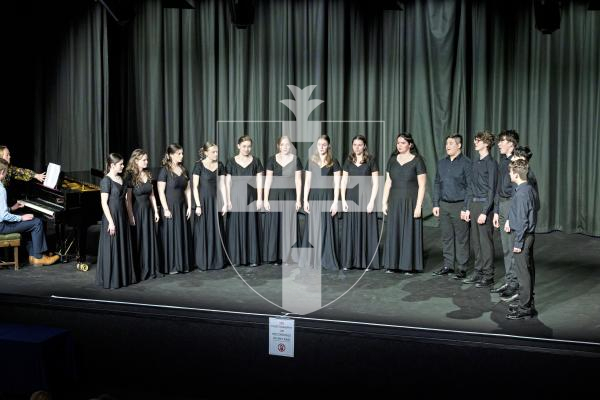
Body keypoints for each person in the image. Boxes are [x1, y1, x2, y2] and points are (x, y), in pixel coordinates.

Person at [382, 133, 427, 274]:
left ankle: (408, 265)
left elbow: (422, 185)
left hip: (410, 202)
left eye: (402, 143)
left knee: (409, 232)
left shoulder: (418, 161)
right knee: (394, 231)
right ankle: (392, 264)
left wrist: (418, 206)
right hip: (395, 201)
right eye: (398, 143)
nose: (399, 145)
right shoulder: (392, 160)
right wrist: (384, 202)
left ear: (410, 144)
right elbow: (388, 182)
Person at [0, 159, 59, 266]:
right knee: (37, 222)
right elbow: (4, 216)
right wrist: (21, 218)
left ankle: (32, 255)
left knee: (27, 221)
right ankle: (38, 257)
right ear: (2, 172)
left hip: (1, 223)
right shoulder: (1, 189)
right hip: (2, 226)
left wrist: (12, 209)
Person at [432, 134, 472, 280]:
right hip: (444, 205)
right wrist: (436, 203)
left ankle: (461, 267)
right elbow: (437, 183)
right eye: (446, 143)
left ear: (459, 145)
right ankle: (448, 265)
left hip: (459, 205)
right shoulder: (442, 163)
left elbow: (470, 187)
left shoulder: (467, 163)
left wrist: (466, 208)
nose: (447, 146)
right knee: (446, 237)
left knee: (462, 238)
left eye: (451, 143)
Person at [299, 134, 341, 270]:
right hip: (314, 198)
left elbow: (337, 184)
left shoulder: (334, 162)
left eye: (324, 144)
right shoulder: (311, 161)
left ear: (328, 146)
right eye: (319, 145)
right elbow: (308, 182)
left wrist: (335, 202)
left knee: (326, 227)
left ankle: (326, 259)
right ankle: (311, 259)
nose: (321, 147)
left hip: (328, 198)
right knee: (313, 227)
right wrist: (305, 200)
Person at [340, 135, 380, 271]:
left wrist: (372, 201)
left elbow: (376, 183)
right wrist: (343, 200)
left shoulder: (371, 160)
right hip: (352, 197)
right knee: (351, 229)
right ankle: (349, 261)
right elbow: (344, 181)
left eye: (360, 145)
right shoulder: (348, 160)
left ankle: (367, 262)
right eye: (355, 145)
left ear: (364, 146)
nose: (357, 147)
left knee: (366, 229)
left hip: (366, 197)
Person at [96, 153, 136, 289]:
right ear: (112, 165)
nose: (123, 166)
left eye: (123, 164)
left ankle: (123, 278)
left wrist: (130, 216)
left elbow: (126, 201)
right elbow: (104, 203)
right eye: (121, 164)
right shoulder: (106, 181)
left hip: (122, 216)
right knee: (112, 246)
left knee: (122, 245)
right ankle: (112, 279)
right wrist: (111, 222)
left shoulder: (122, 179)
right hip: (111, 217)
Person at [463, 131, 498, 287]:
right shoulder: (475, 162)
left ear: (486, 143)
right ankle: (478, 272)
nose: (475, 143)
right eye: (475, 140)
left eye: (478, 141)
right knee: (476, 242)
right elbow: (471, 186)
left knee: (485, 242)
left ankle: (488, 275)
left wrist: (485, 211)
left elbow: (492, 189)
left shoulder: (491, 163)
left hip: (485, 206)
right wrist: (468, 207)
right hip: (474, 204)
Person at [505, 159, 538, 319]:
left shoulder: (522, 193)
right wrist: (510, 221)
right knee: (528, 270)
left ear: (516, 174)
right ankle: (527, 303)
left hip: (523, 237)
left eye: (510, 172)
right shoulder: (528, 189)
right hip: (527, 236)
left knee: (523, 274)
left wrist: (518, 243)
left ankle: (525, 308)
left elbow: (523, 220)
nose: (509, 174)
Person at [263, 136, 303, 265]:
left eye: (287, 144)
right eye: (282, 144)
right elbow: (268, 180)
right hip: (274, 196)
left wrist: (298, 200)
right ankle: (274, 256)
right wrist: (265, 199)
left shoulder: (296, 160)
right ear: (278, 146)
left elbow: (298, 181)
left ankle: (288, 257)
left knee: (289, 225)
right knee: (275, 224)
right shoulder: (271, 160)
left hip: (290, 196)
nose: (285, 147)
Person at [225, 135, 263, 267]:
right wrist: (228, 200)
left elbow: (259, 181)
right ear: (238, 146)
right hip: (235, 197)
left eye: (249, 146)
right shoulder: (230, 161)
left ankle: (252, 258)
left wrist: (260, 198)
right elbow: (228, 181)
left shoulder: (256, 161)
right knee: (236, 227)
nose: (247, 149)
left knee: (251, 226)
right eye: (244, 146)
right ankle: (236, 259)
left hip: (251, 198)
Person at [491, 130, 520, 297]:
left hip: (511, 206)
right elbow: (497, 188)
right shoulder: (502, 161)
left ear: (511, 143)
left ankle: (515, 284)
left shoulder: (516, 162)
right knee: (506, 248)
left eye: (502, 141)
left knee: (512, 246)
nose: (499, 144)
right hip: (501, 205)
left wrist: (510, 216)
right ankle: (510, 280)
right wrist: (496, 212)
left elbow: (518, 190)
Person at [157, 144, 193, 274]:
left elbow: (188, 189)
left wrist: (189, 205)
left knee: (182, 234)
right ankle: (172, 266)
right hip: (170, 207)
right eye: (179, 154)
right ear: (171, 155)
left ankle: (182, 264)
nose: (182, 156)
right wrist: (165, 209)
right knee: (171, 236)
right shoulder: (164, 171)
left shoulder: (183, 169)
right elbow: (160, 192)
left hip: (182, 206)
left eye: (182, 153)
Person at [125, 149, 160, 281]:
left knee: (149, 239)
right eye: (144, 159)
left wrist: (156, 211)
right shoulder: (130, 176)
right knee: (140, 239)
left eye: (147, 159)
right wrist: (130, 216)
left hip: (148, 211)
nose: (147, 161)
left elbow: (152, 195)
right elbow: (127, 200)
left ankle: (151, 268)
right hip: (138, 211)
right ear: (136, 160)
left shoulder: (148, 174)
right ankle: (140, 269)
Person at [192, 142, 228, 271]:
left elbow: (222, 185)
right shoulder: (198, 166)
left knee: (216, 229)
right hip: (203, 202)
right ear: (206, 152)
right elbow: (194, 187)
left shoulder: (220, 165)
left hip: (215, 201)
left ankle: (217, 261)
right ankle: (204, 262)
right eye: (213, 152)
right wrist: (198, 205)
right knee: (204, 230)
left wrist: (225, 202)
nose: (216, 154)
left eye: (217, 152)